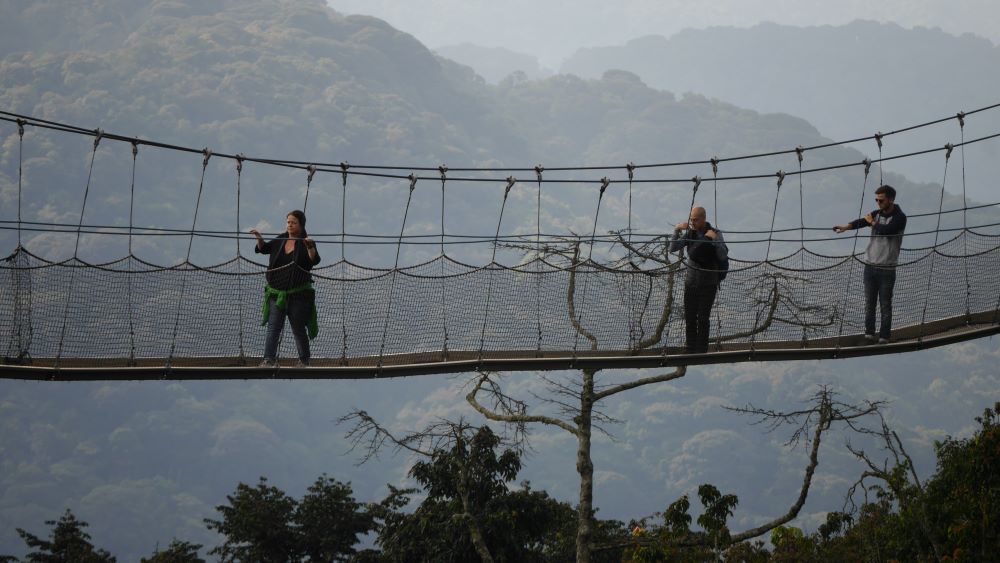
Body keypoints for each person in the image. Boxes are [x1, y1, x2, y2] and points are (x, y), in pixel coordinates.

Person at [833, 184, 907, 344]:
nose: (878, 203)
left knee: (885, 304)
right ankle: (869, 334)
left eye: (881, 200)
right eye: (876, 200)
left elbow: (888, 230)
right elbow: (862, 221)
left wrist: (872, 222)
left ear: (891, 199)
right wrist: (846, 227)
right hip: (870, 266)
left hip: (887, 268)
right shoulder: (877, 214)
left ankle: (884, 337)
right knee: (869, 303)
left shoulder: (900, 217)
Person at [250, 210, 320, 367]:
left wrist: (310, 247)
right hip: (277, 294)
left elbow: (313, 260)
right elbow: (264, 249)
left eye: (293, 222)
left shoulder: (306, 241)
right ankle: (268, 359)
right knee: (273, 328)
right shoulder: (281, 239)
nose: (290, 225)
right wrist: (259, 239)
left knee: (298, 329)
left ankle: (304, 360)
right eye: (288, 222)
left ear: (301, 225)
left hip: (298, 296)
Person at [669, 206, 729, 354]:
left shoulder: (716, 233)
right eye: (691, 219)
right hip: (691, 282)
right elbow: (672, 248)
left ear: (703, 219)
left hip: (709, 282)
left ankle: (701, 350)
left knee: (703, 317)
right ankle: (690, 348)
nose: (693, 222)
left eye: (696, 220)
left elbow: (722, 256)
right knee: (689, 316)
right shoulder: (690, 233)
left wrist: (714, 240)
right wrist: (677, 230)